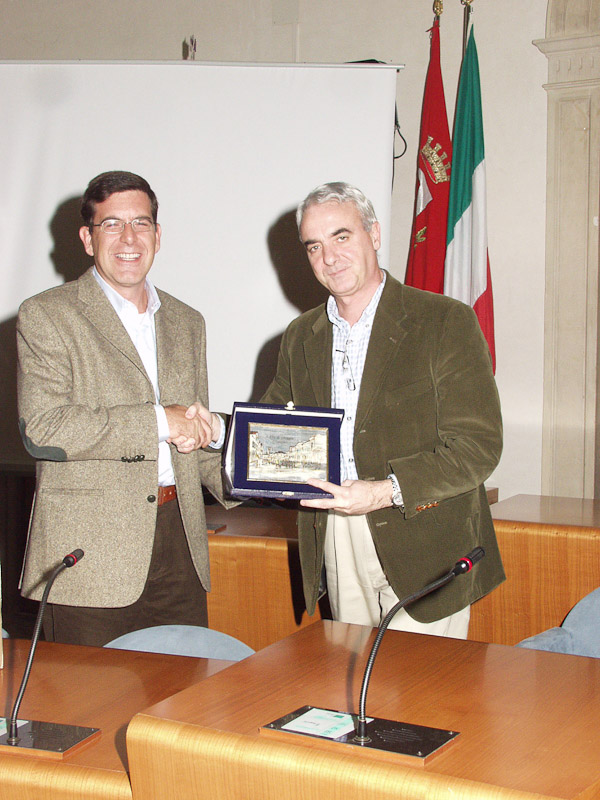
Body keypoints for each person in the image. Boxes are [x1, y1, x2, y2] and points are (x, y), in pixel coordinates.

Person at [261, 182, 504, 637]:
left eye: (341, 236)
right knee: (352, 686)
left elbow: (479, 447)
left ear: (373, 234)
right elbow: (273, 426)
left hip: (424, 533)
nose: (329, 257)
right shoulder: (301, 335)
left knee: (419, 696)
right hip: (336, 532)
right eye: (314, 245)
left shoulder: (444, 321)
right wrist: (215, 429)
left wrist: (380, 492)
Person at [17, 170, 228, 646]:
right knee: (88, 707)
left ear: (158, 234)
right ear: (88, 239)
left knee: (180, 705)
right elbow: (46, 429)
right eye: (112, 225)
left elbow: (195, 439)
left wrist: (270, 471)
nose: (129, 238)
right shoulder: (47, 314)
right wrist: (160, 420)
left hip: (180, 545)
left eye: (141, 223)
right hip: (91, 551)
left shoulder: (187, 321)